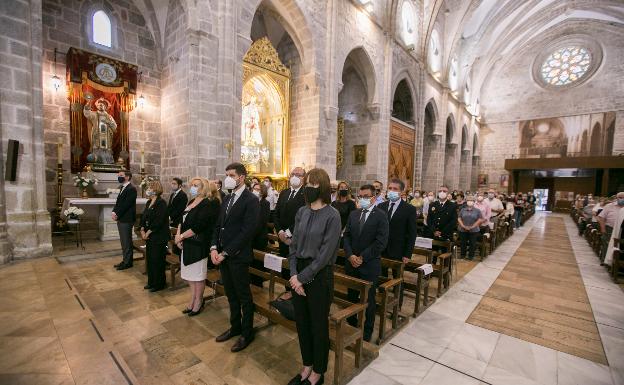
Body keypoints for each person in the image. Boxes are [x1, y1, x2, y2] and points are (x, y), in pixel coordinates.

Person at [287, 168, 341, 385]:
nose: (308, 188)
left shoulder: (333, 215)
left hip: (319, 277)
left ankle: (318, 371)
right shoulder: (302, 211)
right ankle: (307, 365)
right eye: (306, 184)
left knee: (318, 326)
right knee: (302, 324)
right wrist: (293, 275)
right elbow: (293, 246)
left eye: (313, 185)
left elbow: (325, 255)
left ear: (324, 187)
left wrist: (302, 278)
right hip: (298, 272)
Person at [211, 163, 259, 352]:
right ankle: (235, 327)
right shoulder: (228, 198)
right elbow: (218, 225)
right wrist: (214, 247)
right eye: (226, 174)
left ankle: (247, 333)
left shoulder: (250, 200)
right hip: (223, 255)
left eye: (231, 174)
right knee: (230, 294)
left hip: (238, 256)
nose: (228, 178)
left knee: (243, 296)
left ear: (241, 177)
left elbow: (247, 232)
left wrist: (225, 252)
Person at [343, 184, 389, 342]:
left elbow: (380, 242)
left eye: (366, 196)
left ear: (374, 197)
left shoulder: (381, 215)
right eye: (360, 196)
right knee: (351, 296)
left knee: (369, 300)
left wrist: (362, 257)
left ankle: (367, 331)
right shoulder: (354, 214)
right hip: (351, 263)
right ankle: (351, 324)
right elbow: (346, 236)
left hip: (369, 265)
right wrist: (350, 255)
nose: (362, 199)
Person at [175, 177, 220, 316]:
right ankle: (192, 299)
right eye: (192, 185)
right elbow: (181, 220)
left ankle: (199, 301)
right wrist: (178, 236)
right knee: (189, 275)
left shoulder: (209, 203)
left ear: (204, 187)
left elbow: (199, 225)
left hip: (198, 243)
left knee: (197, 276)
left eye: (196, 185)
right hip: (187, 242)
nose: (193, 187)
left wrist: (182, 236)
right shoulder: (191, 201)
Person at [377, 179, 416, 306]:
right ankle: (382, 301)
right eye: (390, 188)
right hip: (382, 249)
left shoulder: (409, 209)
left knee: (398, 279)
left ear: (401, 191)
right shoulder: (381, 206)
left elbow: (411, 234)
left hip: (398, 250)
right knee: (381, 277)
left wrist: (407, 254)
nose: (392, 191)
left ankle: (397, 305)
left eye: (395, 189)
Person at [141, 180, 170, 292]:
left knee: (157, 260)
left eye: (150, 187)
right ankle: (151, 282)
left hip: (159, 236)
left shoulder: (161, 203)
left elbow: (159, 220)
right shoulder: (149, 202)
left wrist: (148, 232)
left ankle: (159, 284)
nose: (148, 189)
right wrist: (143, 230)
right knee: (150, 260)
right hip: (149, 237)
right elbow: (144, 217)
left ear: (155, 189)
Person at [425, 186, 457, 263]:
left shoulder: (452, 205)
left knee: (445, 257)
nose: (442, 192)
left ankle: (445, 273)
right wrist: (434, 231)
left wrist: (442, 232)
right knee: (432, 256)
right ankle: (430, 272)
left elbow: (453, 221)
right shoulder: (433, 204)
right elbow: (429, 219)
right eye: (440, 191)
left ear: (448, 193)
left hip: (446, 235)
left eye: (444, 191)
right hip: (433, 234)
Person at [112, 170, 137, 270]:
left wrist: (117, 213)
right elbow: (118, 203)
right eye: (118, 175)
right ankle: (125, 260)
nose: (119, 177)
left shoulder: (131, 189)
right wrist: (114, 212)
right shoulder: (123, 187)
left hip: (126, 219)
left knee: (126, 241)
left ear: (127, 177)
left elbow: (126, 205)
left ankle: (128, 262)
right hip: (122, 218)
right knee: (123, 241)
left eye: (121, 175)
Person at [598, 192, 624, 263]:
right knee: (607, 244)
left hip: (621, 231)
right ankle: (604, 261)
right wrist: (603, 229)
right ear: (616, 198)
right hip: (609, 228)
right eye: (620, 198)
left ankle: (615, 263)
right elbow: (602, 218)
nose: (622, 199)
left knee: (618, 246)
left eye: (623, 198)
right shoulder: (609, 206)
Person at [458, 195, 483, 261]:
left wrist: (472, 226)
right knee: (463, 243)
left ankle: (471, 256)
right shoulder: (463, 210)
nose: (470, 201)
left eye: (471, 200)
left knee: (472, 243)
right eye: (468, 200)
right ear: (466, 201)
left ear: (474, 201)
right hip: (463, 229)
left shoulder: (477, 210)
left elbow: (480, 219)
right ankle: (462, 255)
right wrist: (463, 226)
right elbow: (459, 218)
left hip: (474, 230)